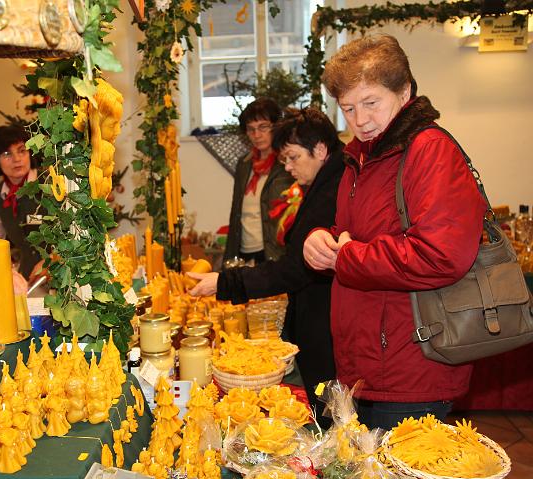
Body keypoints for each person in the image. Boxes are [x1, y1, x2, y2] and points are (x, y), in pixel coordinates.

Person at [302, 35, 487, 430]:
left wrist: (346, 256)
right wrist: (323, 240)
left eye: (371, 103)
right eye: (348, 109)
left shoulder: (429, 150)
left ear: (404, 92)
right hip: (367, 365)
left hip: (412, 367)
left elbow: (441, 255)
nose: (360, 120)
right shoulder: (364, 155)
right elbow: (357, 233)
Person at [189, 108, 344, 425]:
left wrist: (224, 283)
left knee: (330, 414)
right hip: (316, 314)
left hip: (326, 319)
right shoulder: (324, 182)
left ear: (321, 150)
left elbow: (294, 269)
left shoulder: (332, 193)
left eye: (292, 158)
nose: (287, 167)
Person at [223, 98, 294, 264]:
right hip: (243, 252)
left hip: (273, 253)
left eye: (263, 127)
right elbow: (236, 213)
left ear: (276, 126)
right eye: (251, 129)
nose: (256, 135)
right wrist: (229, 257)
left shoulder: (287, 164)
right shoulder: (244, 164)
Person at [0, 125, 41, 280]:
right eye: (7, 154)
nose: (17, 159)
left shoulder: (51, 182)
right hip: (28, 281)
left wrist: (53, 260)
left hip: (65, 277)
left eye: (22, 150)